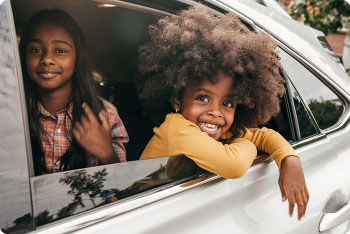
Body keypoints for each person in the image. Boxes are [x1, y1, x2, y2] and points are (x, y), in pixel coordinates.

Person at [137, 5, 309, 220]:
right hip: (140, 213)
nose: (216, 112)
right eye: (202, 98)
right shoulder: (176, 129)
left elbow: (264, 135)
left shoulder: (217, 129)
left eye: (228, 103)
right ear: (177, 101)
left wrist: (289, 158)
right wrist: (245, 142)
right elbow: (234, 165)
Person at [19, 9, 129, 175]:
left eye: (60, 50)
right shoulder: (11, 111)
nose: (47, 59)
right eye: (35, 50)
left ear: (77, 59)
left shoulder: (105, 115)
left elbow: (122, 188)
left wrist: (106, 153)